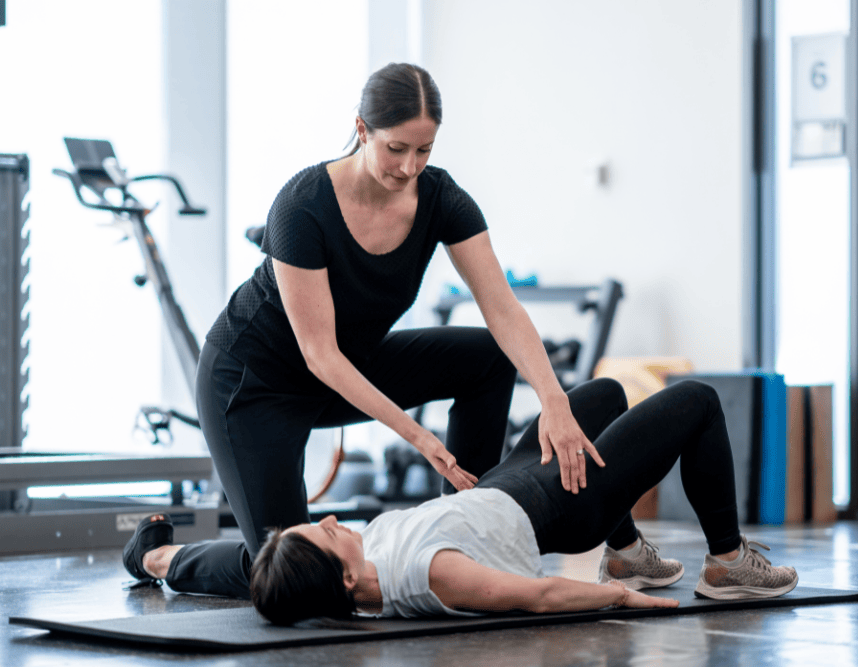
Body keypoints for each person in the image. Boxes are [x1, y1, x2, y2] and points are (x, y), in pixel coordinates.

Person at [121, 63, 680, 599]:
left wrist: (555, 400)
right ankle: (158, 557)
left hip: (350, 366)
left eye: (424, 150)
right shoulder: (302, 205)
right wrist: (418, 436)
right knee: (291, 565)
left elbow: (502, 309)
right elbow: (319, 356)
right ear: (362, 130)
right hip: (254, 382)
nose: (410, 166)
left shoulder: (441, 199)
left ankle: (460, 530)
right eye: (396, 148)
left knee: (487, 357)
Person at [248, 378, 799, 623]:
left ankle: (629, 552)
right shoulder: (424, 573)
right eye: (322, 533)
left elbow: (274, 581)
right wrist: (619, 600)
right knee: (698, 402)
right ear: (343, 580)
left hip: (503, 482)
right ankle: (729, 563)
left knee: (602, 395)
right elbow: (537, 597)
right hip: (564, 506)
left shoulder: (351, 566)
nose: (330, 518)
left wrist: (164, 559)